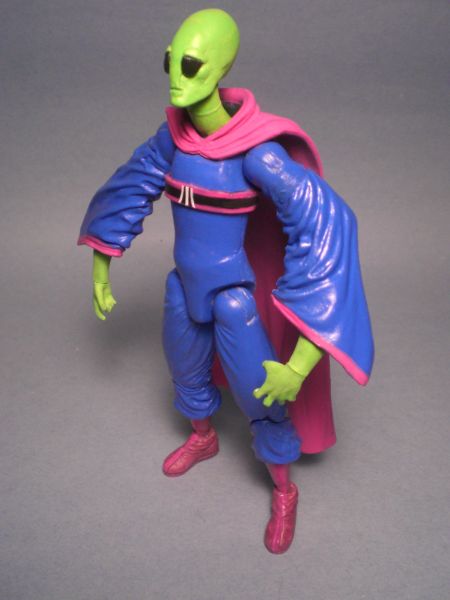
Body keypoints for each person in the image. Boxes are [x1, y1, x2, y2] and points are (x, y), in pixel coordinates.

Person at [78, 8, 374, 554]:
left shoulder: (258, 157)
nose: (176, 77)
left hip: (232, 299)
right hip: (183, 288)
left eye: (191, 65)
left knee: (263, 397)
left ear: (220, 69)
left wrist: (299, 364)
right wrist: (102, 263)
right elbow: (132, 184)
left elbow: (327, 228)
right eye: (171, 62)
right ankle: (204, 438)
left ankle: (284, 490)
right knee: (185, 373)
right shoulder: (172, 142)